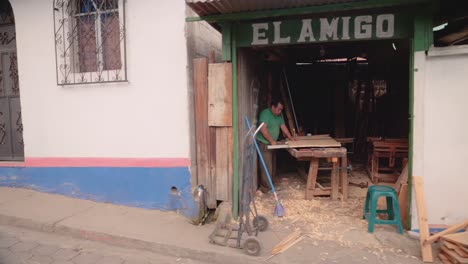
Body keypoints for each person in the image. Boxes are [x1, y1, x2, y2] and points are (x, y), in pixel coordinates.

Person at [256, 100, 295, 193]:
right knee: (266, 166)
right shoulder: (265, 114)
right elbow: (263, 129)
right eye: (278, 109)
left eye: (281, 110)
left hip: (272, 144)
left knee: (272, 166)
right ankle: (266, 188)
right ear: (273, 107)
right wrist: (272, 141)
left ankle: (270, 186)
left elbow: (283, 126)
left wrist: (290, 137)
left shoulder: (279, 115)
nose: (280, 112)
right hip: (264, 143)